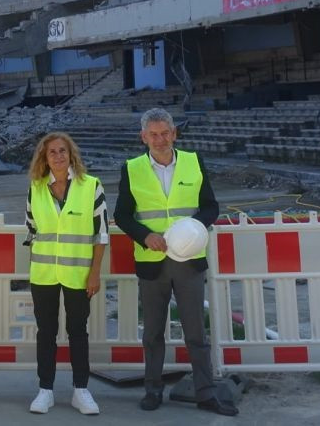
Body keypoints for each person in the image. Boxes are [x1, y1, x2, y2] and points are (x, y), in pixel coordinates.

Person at [113, 108, 238, 417]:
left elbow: (210, 207)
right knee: (153, 332)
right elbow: (123, 215)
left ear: (174, 134)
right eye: (153, 134)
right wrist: (145, 236)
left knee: (196, 332)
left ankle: (206, 392)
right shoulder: (132, 168)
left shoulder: (194, 163)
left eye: (165, 133)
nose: (160, 139)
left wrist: (192, 230)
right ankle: (153, 389)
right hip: (152, 261)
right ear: (143, 138)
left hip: (189, 261)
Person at [25, 132, 107, 416]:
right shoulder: (35, 188)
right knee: (45, 332)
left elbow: (101, 235)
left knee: (77, 332)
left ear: (71, 154)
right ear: (44, 158)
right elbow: (32, 228)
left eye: (62, 151)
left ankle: (80, 390)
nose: (58, 156)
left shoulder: (91, 186)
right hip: (44, 274)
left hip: (79, 274)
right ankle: (45, 390)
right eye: (52, 153)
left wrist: (94, 274)